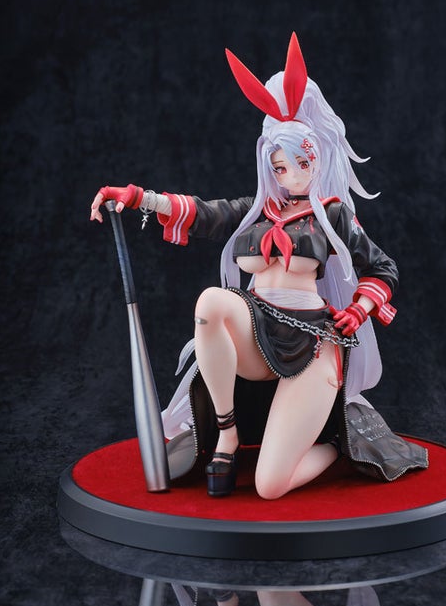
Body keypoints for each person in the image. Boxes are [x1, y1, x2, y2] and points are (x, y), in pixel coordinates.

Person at [90, 33, 428, 499]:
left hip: (312, 341)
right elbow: (202, 213)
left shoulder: (333, 214)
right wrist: (134, 197)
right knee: (212, 302)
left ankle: (337, 445)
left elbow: (383, 268)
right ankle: (227, 434)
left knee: (270, 486)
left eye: (300, 163)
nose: (290, 175)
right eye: (280, 166)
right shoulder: (257, 211)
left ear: (317, 157)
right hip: (257, 327)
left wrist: (357, 310)